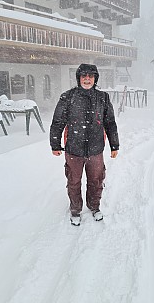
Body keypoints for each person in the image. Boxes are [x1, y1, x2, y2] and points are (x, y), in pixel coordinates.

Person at [50, 63, 119, 226]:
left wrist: (114, 145)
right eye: (84, 76)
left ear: (95, 79)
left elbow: (110, 122)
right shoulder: (67, 97)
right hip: (74, 148)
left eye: (91, 76)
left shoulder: (103, 98)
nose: (87, 79)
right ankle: (75, 209)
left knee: (96, 179)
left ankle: (94, 206)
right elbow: (58, 122)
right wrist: (55, 144)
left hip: (96, 148)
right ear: (79, 78)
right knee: (74, 181)